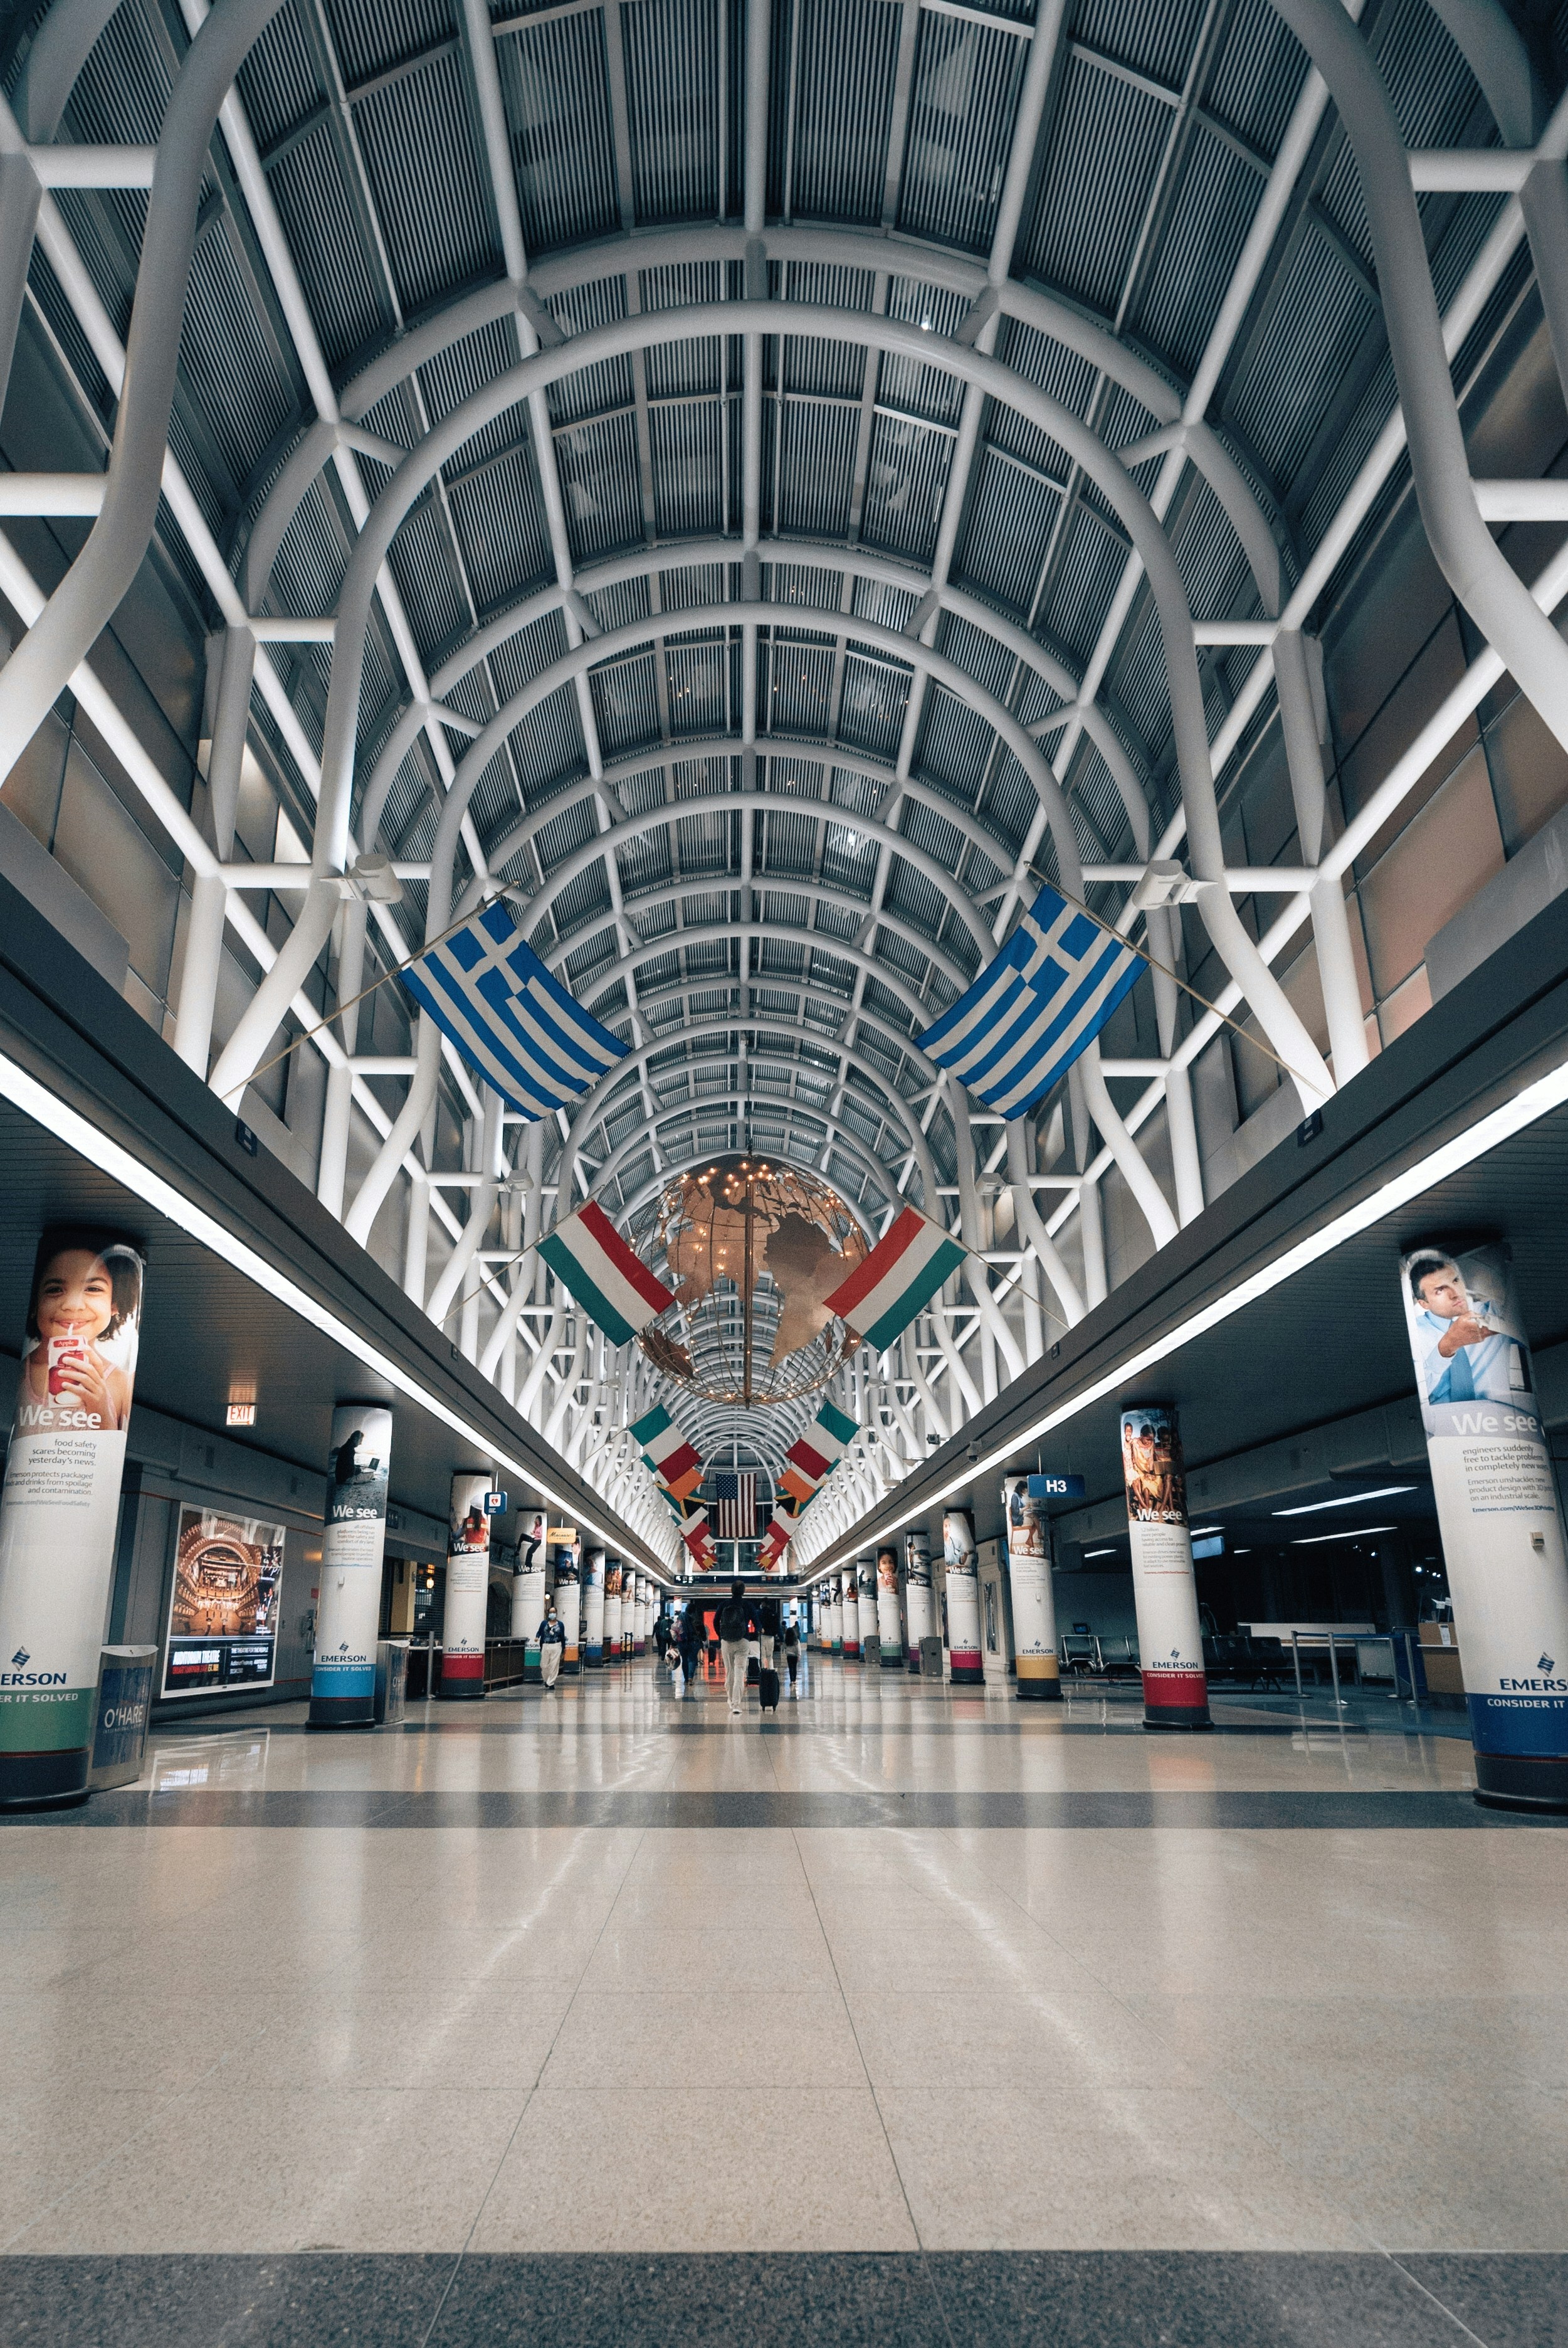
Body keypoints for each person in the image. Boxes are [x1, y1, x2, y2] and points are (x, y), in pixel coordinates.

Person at [17, 1236, 140, 1434]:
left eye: (93, 1289)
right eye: (55, 1289)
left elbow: (110, 1456)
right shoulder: (23, 1372)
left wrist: (100, 1407)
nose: (73, 1305)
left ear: (115, 1303)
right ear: (35, 1303)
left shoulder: (120, 1382)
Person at [1408, 1252, 1523, 1406]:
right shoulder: (1416, 1334)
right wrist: (1446, 1347)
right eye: (1440, 1290)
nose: (1455, 1294)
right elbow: (1420, 1393)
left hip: (1501, 1415)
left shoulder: (1491, 1312)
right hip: (1445, 1421)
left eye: (1455, 1281)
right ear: (1424, 1304)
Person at [715, 1579, 755, 1715]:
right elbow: (757, 1622)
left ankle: (731, 1699)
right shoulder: (747, 1605)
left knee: (729, 1672)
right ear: (744, 1591)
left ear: (731, 1590)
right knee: (739, 1673)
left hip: (726, 1642)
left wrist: (721, 1636)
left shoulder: (724, 1604)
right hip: (743, 1640)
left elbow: (716, 1621)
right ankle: (736, 1704)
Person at [537, 1599, 566, 1690]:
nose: (552, 1614)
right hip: (546, 1645)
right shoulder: (544, 1623)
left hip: (556, 1645)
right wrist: (539, 1642)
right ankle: (547, 1680)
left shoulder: (560, 1624)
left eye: (554, 1612)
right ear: (548, 1613)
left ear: (556, 1614)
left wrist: (564, 1648)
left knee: (554, 1665)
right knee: (544, 1665)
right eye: (551, 1612)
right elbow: (540, 1633)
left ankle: (551, 1683)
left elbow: (562, 1637)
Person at [678, 1604, 705, 1691]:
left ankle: (686, 1679)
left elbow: (676, 1630)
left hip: (682, 1642)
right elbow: (702, 1631)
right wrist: (703, 1638)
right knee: (692, 1660)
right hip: (694, 1642)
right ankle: (690, 1678)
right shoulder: (697, 1619)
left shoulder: (680, 1618)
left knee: (685, 1660)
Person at [783, 1616, 801, 1692]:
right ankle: (794, 1680)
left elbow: (784, 1647)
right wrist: (799, 1655)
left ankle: (791, 1681)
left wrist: (786, 1652)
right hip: (795, 1656)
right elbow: (799, 1649)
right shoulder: (796, 1641)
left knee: (790, 1668)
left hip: (789, 1656)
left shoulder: (787, 1640)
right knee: (795, 1668)